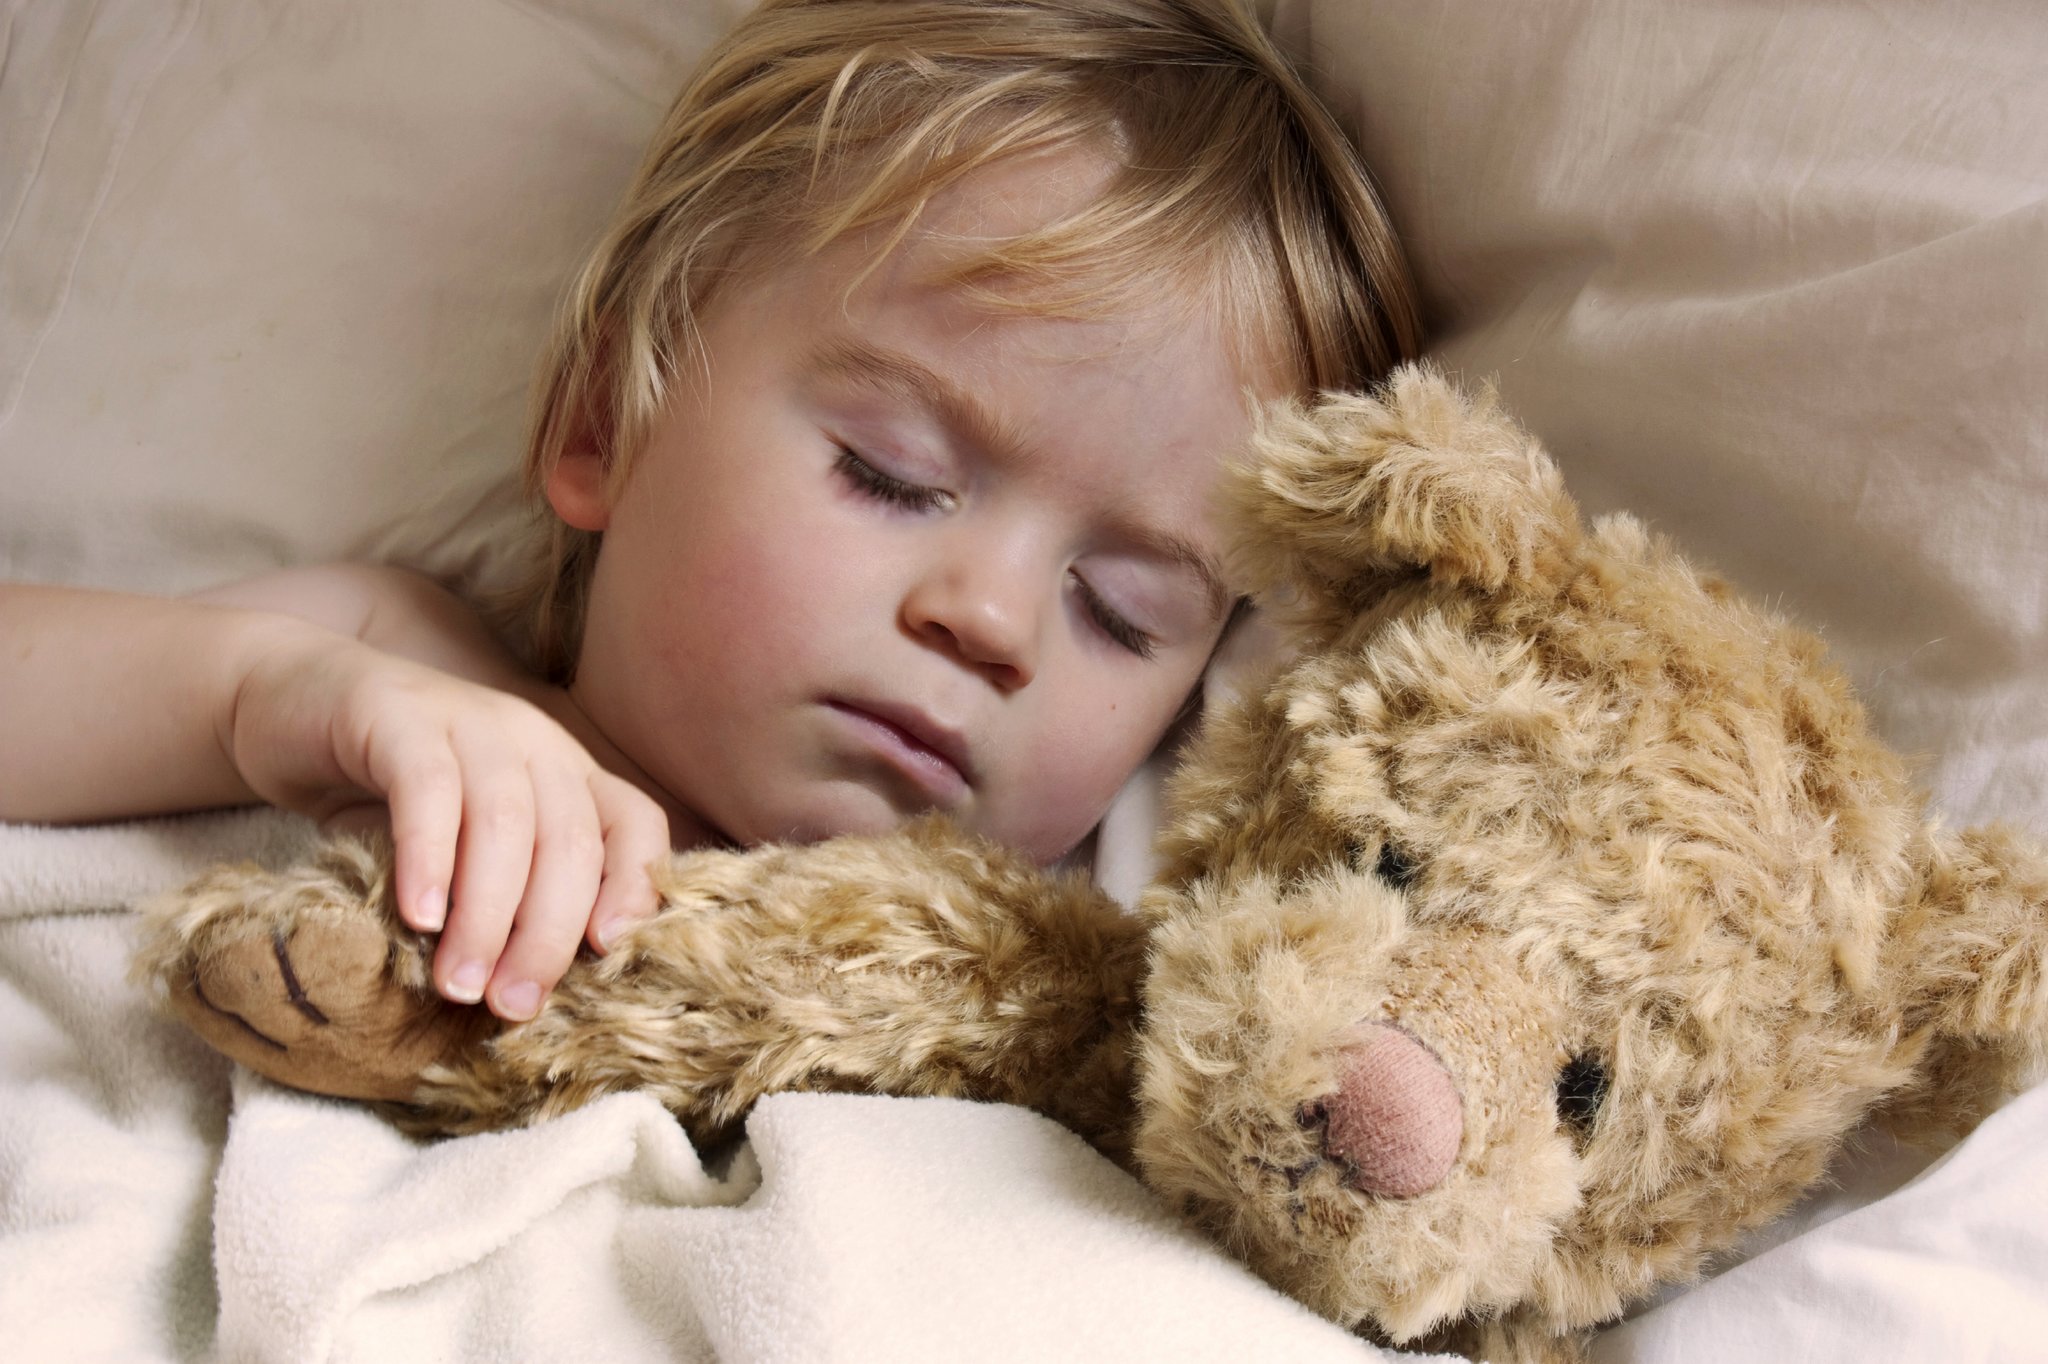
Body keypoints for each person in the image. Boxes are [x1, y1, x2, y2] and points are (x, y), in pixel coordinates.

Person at [0, 0, 1419, 1024]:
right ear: (603, 424)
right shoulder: (406, 665)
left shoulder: (1046, 984)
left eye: (1124, 615)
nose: (988, 622)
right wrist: (266, 693)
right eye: (888, 472)